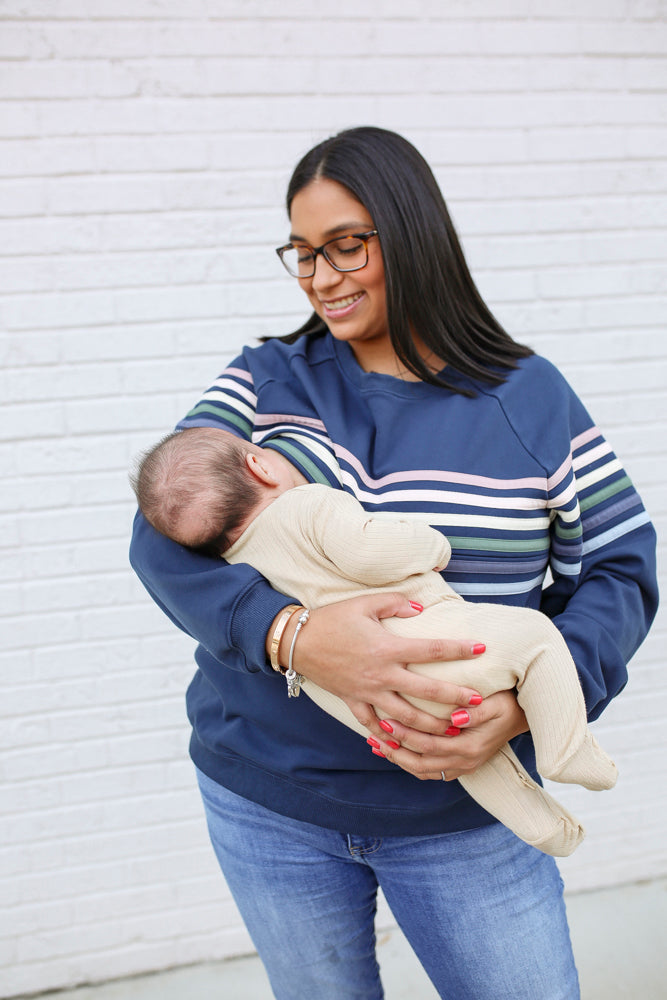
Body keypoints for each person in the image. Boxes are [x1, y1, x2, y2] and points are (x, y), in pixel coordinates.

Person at [129, 127, 658, 1000]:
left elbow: (617, 566)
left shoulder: (529, 397)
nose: (321, 279)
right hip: (266, 797)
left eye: (346, 246)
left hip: (462, 813)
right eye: (301, 254)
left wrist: (528, 704)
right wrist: (292, 636)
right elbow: (161, 525)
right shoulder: (263, 380)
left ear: (412, 234)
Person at [132, 425, 621, 858]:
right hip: (420, 643)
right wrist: (431, 544)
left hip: (354, 699)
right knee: (536, 640)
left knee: (453, 751)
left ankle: (544, 826)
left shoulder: (240, 563)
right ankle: (567, 748)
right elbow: (367, 552)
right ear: (258, 463)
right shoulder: (307, 504)